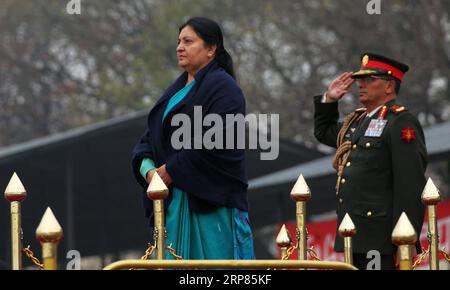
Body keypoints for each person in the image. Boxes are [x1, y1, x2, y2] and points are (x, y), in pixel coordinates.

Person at [131, 17, 254, 260]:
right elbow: (148, 141)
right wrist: (149, 172)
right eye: (178, 42)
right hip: (173, 204)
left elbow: (215, 141)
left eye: (188, 41)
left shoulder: (224, 88)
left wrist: (169, 170)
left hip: (210, 204)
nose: (179, 47)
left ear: (211, 49)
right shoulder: (174, 92)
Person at [313, 53, 427, 270]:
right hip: (354, 233)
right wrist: (329, 99)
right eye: (359, 80)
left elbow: (410, 184)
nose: (361, 85)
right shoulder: (358, 121)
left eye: (369, 80)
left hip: (381, 237)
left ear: (389, 85)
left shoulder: (400, 121)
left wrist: (406, 237)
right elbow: (324, 132)